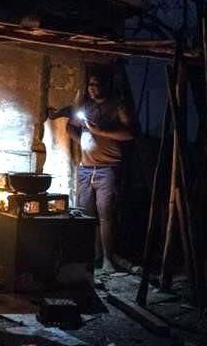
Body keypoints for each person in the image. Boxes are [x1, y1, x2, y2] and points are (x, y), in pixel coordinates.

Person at [68, 69, 136, 273]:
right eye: (90, 85)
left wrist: (99, 132)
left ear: (107, 86)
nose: (93, 89)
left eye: (97, 85)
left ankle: (108, 259)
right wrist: (81, 140)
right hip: (85, 169)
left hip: (107, 169)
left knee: (105, 215)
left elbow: (129, 133)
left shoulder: (117, 106)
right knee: (86, 215)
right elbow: (70, 126)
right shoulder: (85, 107)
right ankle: (91, 257)